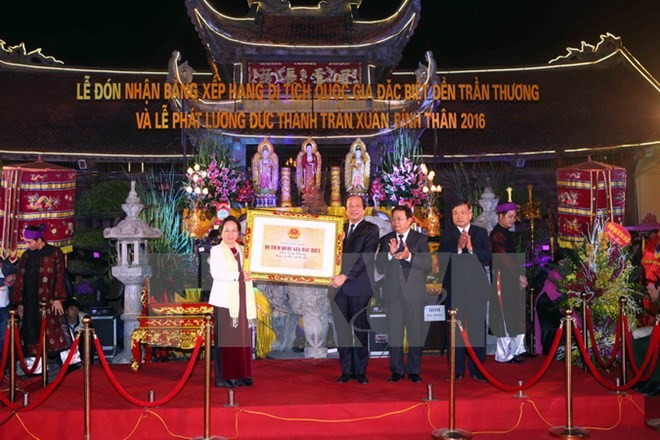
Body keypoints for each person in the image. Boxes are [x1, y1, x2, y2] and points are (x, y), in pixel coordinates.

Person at [376, 205, 432, 383]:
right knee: (394, 334)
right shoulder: (386, 240)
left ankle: (414, 370)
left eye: (400, 218)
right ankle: (397, 370)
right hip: (393, 295)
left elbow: (428, 264)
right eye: (393, 219)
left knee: (416, 334)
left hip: (414, 295)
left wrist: (409, 256)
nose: (396, 222)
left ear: (410, 220)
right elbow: (379, 265)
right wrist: (391, 255)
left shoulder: (420, 239)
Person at [329, 195, 380, 384]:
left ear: (364, 209)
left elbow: (366, 256)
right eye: (350, 206)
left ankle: (360, 371)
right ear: (345, 209)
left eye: (357, 206)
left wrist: (345, 276)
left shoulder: (371, 229)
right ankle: (346, 370)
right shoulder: (337, 228)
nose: (354, 209)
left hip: (359, 287)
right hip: (337, 288)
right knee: (342, 332)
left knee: (359, 330)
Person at [439, 201, 491, 381]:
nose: (459, 216)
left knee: (477, 328)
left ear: (470, 214)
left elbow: (488, 257)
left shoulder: (480, 233)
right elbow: (442, 259)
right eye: (455, 213)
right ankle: (456, 370)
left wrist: (471, 249)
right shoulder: (447, 234)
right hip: (455, 289)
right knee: (454, 330)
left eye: (462, 212)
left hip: (476, 289)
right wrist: (459, 249)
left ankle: (478, 370)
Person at [208, 216, 256, 388]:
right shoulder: (216, 251)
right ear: (221, 233)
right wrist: (239, 275)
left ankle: (242, 374)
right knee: (226, 341)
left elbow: (252, 270)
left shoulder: (244, 250)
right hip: (225, 302)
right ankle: (225, 377)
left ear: (239, 233)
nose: (230, 234)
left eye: (234, 230)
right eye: (227, 230)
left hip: (243, 300)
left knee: (242, 340)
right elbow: (217, 274)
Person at [12, 224, 70, 361]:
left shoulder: (54, 253)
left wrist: (57, 298)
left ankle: (71, 360)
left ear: (39, 240)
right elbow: (20, 279)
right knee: (31, 333)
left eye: (29, 242)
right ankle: (35, 365)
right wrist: (20, 302)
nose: (27, 245)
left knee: (57, 330)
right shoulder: (26, 256)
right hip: (30, 302)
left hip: (49, 300)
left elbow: (60, 276)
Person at [489, 201, 529, 363]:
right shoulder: (497, 234)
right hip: (502, 280)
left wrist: (520, 275)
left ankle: (518, 348)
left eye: (514, 217)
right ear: (501, 216)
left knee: (516, 313)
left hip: (511, 279)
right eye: (510, 217)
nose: (513, 220)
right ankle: (504, 354)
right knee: (504, 315)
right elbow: (503, 258)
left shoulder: (507, 233)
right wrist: (518, 276)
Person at [0, 259, 17, 356]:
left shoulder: (7, 265)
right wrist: (4, 281)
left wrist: (13, 278)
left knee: (3, 337)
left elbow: (16, 277)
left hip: (5, 307)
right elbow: (5, 280)